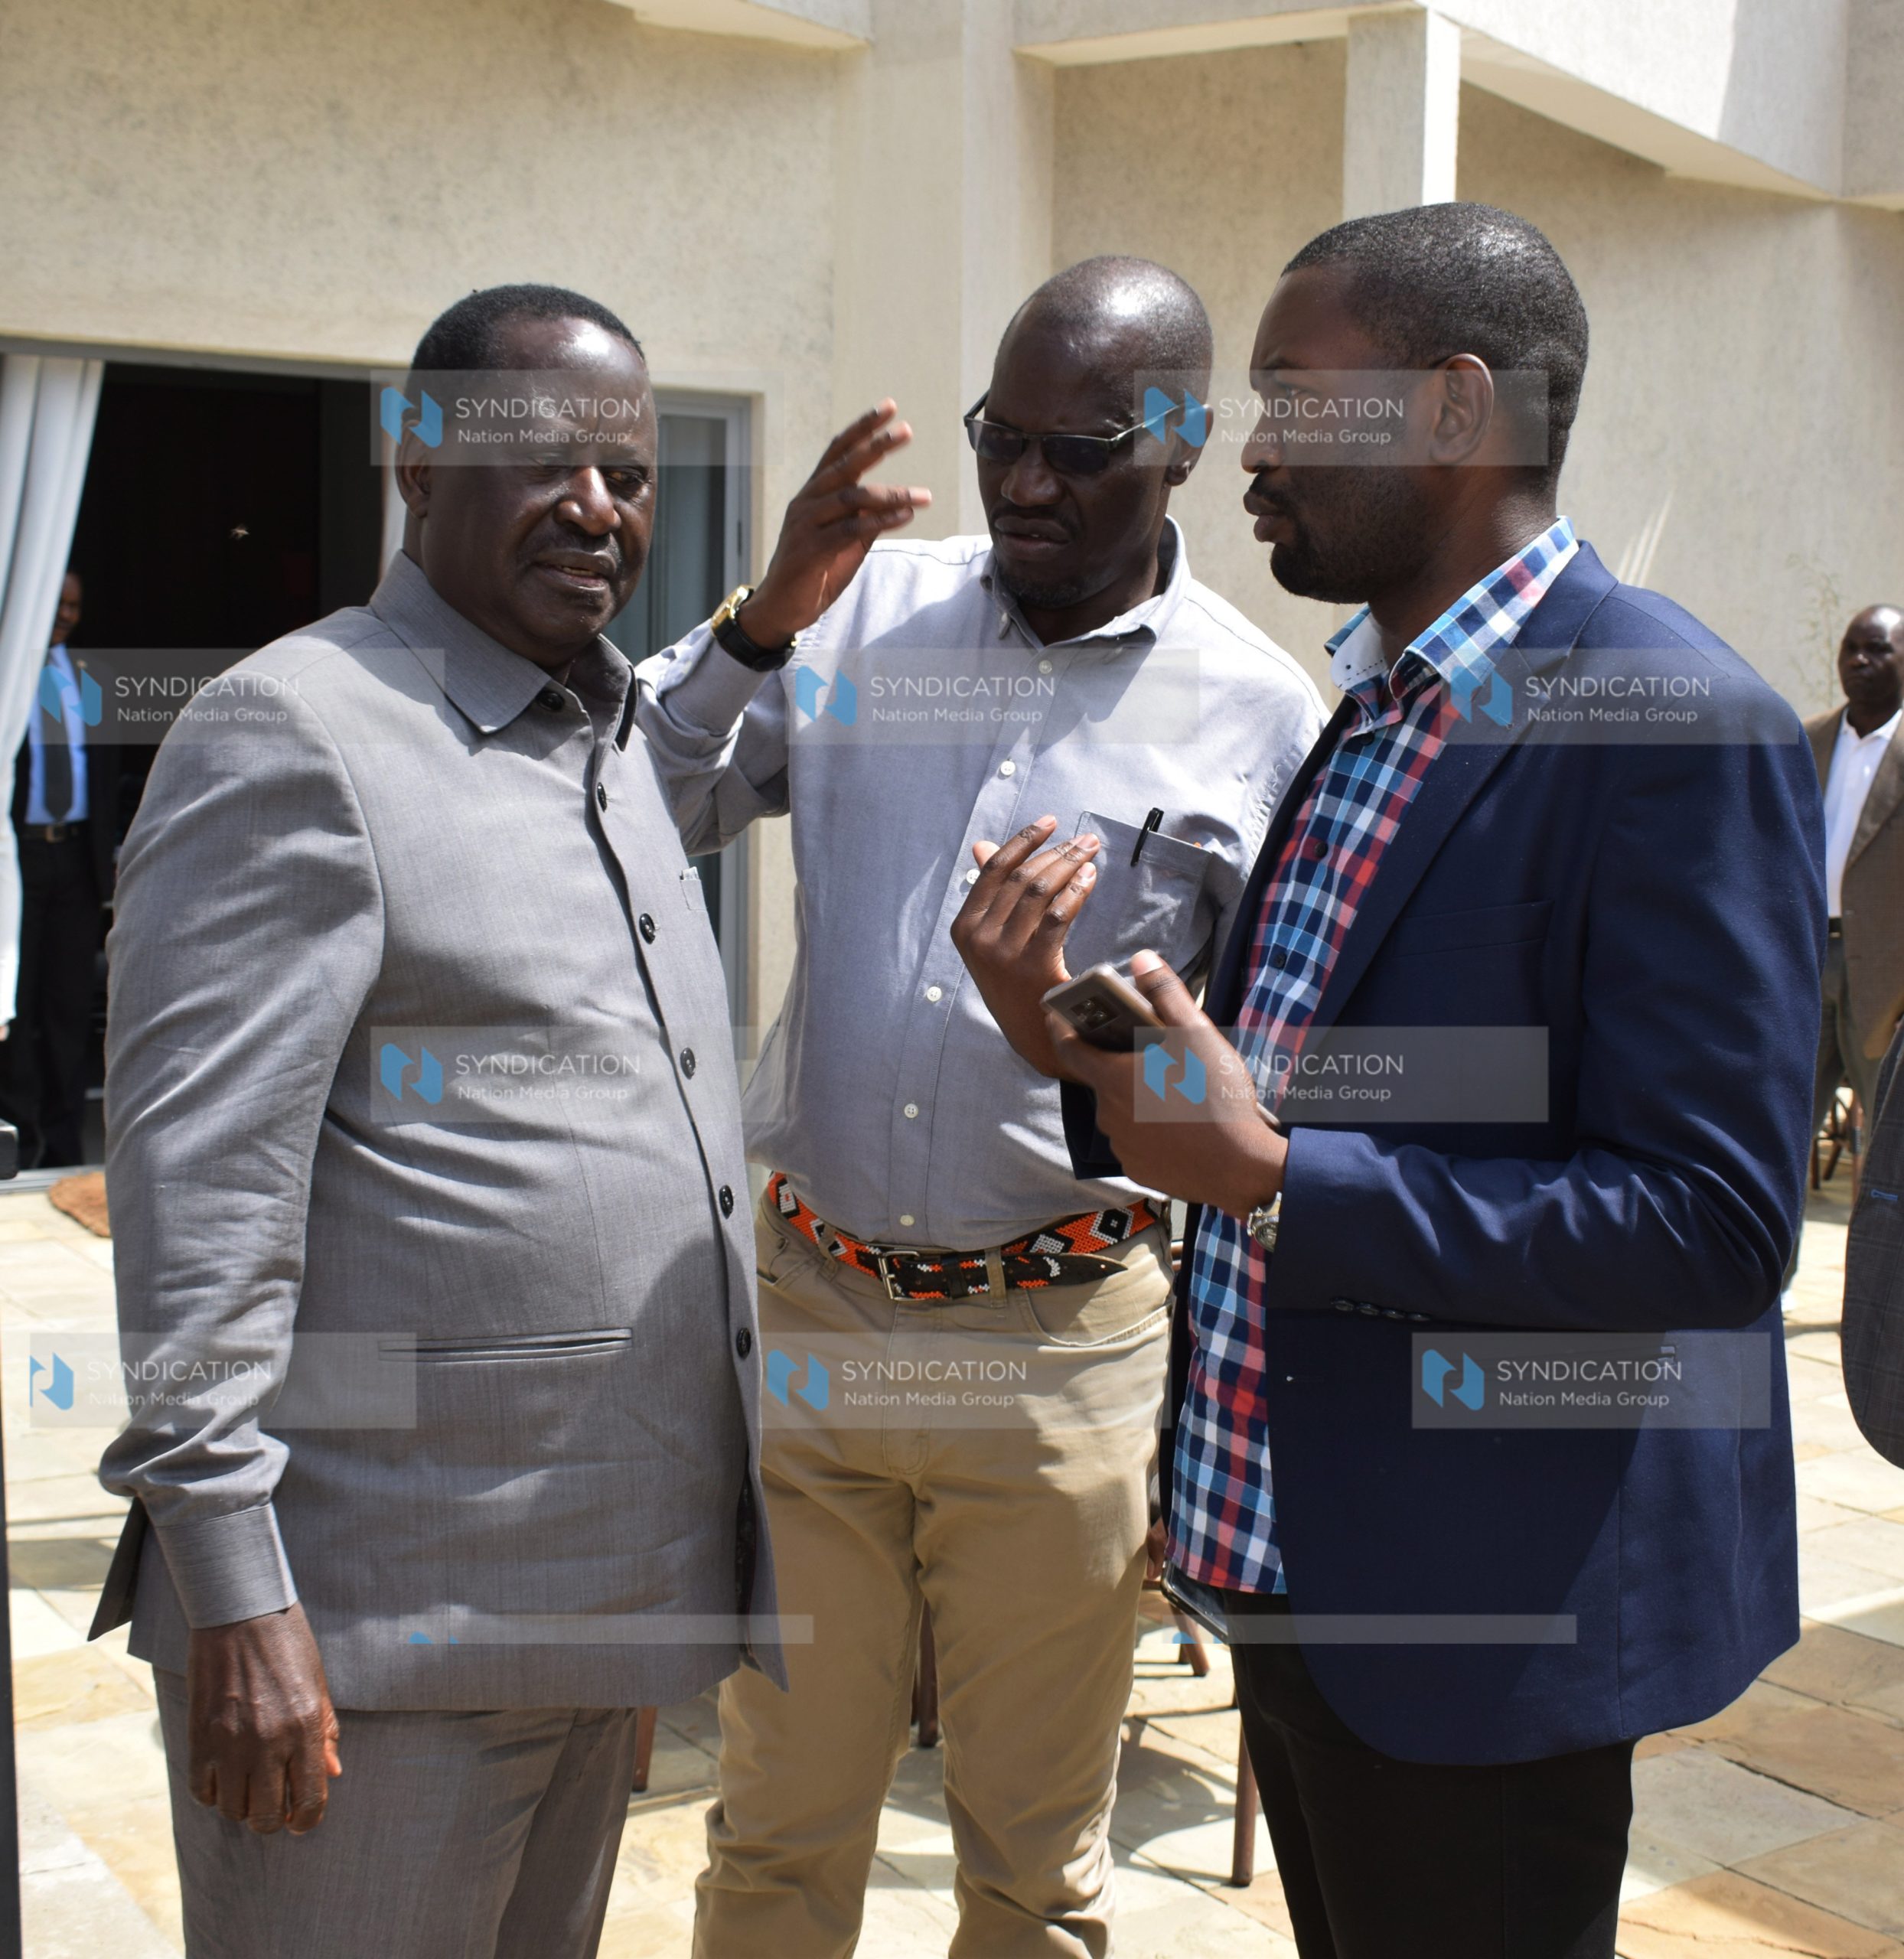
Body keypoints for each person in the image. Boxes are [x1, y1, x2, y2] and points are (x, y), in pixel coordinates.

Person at [957, 205, 1822, 1959]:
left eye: (1288, 397)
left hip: (1477, 1622)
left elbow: (1714, 1220)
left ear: (1446, 412)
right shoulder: (1368, 710)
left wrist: (1280, 1172)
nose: (1247, 450)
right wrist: (1072, 1039)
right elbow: (1289, 1095)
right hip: (1291, 1567)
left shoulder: (1670, 717)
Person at [637, 256, 1322, 1957]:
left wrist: (1067, 1038)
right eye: (998, 437)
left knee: (1030, 1872)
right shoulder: (863, 617)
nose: (1024, 482)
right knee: (774, 1832)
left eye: (1076, 447)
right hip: (812, 1309)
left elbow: (1255, 1109)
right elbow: (636, 802)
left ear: (1176, 443)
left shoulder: (1258, 717)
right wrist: (762, 617)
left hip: (1058, 1346)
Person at [92, 283, 778, 1959]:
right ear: (412, 458)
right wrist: (240, 1591)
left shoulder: (603, 733)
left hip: (574, 1604)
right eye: (543, 459)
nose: (599, 508)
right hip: (367, 1630)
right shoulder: (297, 734)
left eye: (625, 471)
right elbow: (197, 1206)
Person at [0, 569, 119, 1166]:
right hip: (17, 855)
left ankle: (65, 1143)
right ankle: (18, 1133)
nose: (66, 614)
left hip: (73, 859)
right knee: (17, 1004)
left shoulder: (90, 677)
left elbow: (100, 771)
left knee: (69, 1005)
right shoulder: (8, 675)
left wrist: (105, 871)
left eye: (75, 603)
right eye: (57, 602)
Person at [1805, 604, 1904, 1144]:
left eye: (1878, 649)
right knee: (1786, 1135)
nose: (1859, 660)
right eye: (1851, 647)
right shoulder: (1806, 739)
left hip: (1889, 982)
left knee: (1889, 1144)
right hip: (1808, 959)